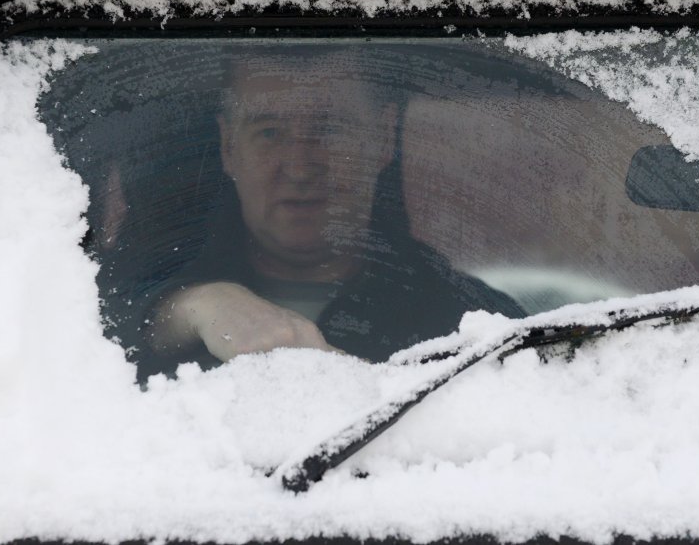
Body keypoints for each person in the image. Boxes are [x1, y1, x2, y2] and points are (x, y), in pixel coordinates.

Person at [132, 46, 524, 378]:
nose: (300, 167)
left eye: (330, 129)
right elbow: (86, 342)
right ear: (228, 147)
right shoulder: (118, 292)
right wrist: (188, 306)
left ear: (383, 138)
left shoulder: (475, 324)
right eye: (269, 132)